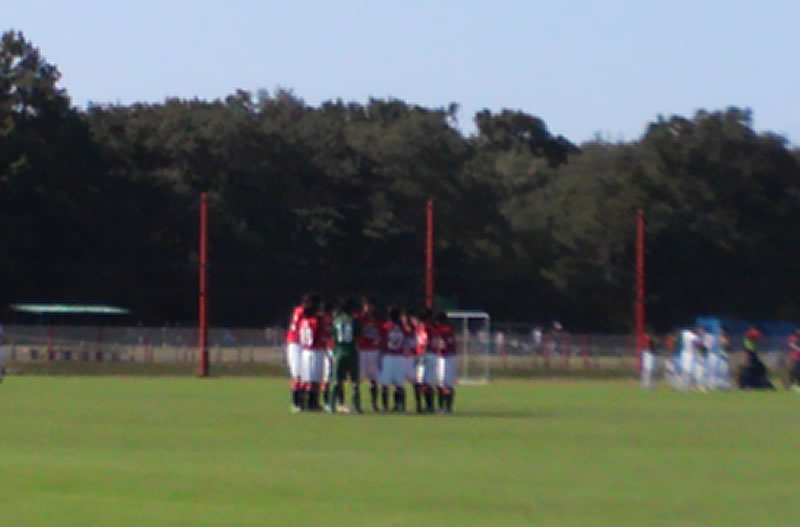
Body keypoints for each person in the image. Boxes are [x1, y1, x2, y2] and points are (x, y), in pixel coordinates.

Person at [328, 298, 363, 413]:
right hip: (351, 350)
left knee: (336, 379)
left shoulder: (336, 321)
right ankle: (356, 406)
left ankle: (331, 405)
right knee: (354, 381)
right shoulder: (355, 321)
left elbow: (333, 337)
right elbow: (358, 337)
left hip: (339, 351)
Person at [298, 298, 327, 410]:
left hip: (305, 351)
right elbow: (318, 335)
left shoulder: (304, 321)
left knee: (307, 378)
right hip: (315, 350)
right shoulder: (315, 322)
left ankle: (302, 402)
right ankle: (312, 403)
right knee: (315, 379)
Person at [357, 297, 383, 412]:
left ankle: (374, 404)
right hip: (362, 351)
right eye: (367, 305)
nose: (369, 308)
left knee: (373, 379)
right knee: (358, 378)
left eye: (371, 306)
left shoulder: (377, 320)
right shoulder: (359, 318)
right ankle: (357, 403)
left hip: (373, 351)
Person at [379, 306, 407, 412]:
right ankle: (399, 405)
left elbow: (382, 342)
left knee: (385, 383)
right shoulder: (402, 327)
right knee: (398, 383)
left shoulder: (386, 326)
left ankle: (385, 406)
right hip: (399, 356)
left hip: (388, 356)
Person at [285, 294, 310, 412]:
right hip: (295, 343)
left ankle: (302, 401)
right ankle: (295, 402)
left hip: (300, 343)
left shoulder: (299, 311)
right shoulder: (301, 311)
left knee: (304, 374)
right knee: (297, 375)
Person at [432, 312, 457, 413]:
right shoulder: (444, 329)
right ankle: (442, 406)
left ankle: (447, 407)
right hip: (442, 357)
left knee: (447, 384)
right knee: (441, 383)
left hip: (447, 357)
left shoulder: (446, 329)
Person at [402, 308, 424, 413]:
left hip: (412, 358)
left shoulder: (415, 330)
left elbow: (418, 344)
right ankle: (401, 405)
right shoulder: (402, 330)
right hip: (402, 359)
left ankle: (419, 405)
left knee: (416, 382)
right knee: (400, 383)